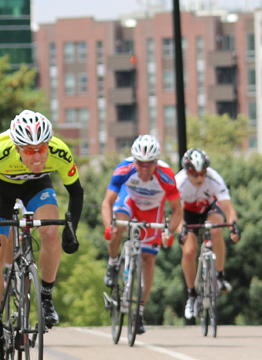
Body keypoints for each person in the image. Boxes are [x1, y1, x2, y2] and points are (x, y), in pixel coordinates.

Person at [0, 111, 82, 360]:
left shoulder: (59, 151)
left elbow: (75, 191)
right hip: (0, 190)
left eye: (41, 149)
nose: (38, 156)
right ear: (16, 147)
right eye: (29, 151)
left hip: (37, 186)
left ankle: (46, 296)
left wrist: (71, 231)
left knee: (50, 232)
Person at [102, 134, 182, 335]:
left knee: (148, 260)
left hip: (153, 209)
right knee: (118, 228)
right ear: (134, 160)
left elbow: (177, 211)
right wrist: (108, 227)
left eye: (149, 164)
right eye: (140, 163)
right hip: (129, 201)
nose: (144, 169)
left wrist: (168, 231)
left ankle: (139, 311)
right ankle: (113, 263)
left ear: (156, 162)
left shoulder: (166, 175)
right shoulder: (124, 169)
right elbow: (106, 203)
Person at [175, 148, 240, 320]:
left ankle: (219, 276)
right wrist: (181, 230)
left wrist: (233, 227)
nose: (199, 178)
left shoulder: (214, 179)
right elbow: (176, 213)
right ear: (187, 172)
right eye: (195, 175)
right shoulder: (179, 182)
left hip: (209, 209)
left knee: (216, 228)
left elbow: (229, 210)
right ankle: (192, 295)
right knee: (189, 251)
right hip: (187, 214)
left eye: (203, 174)